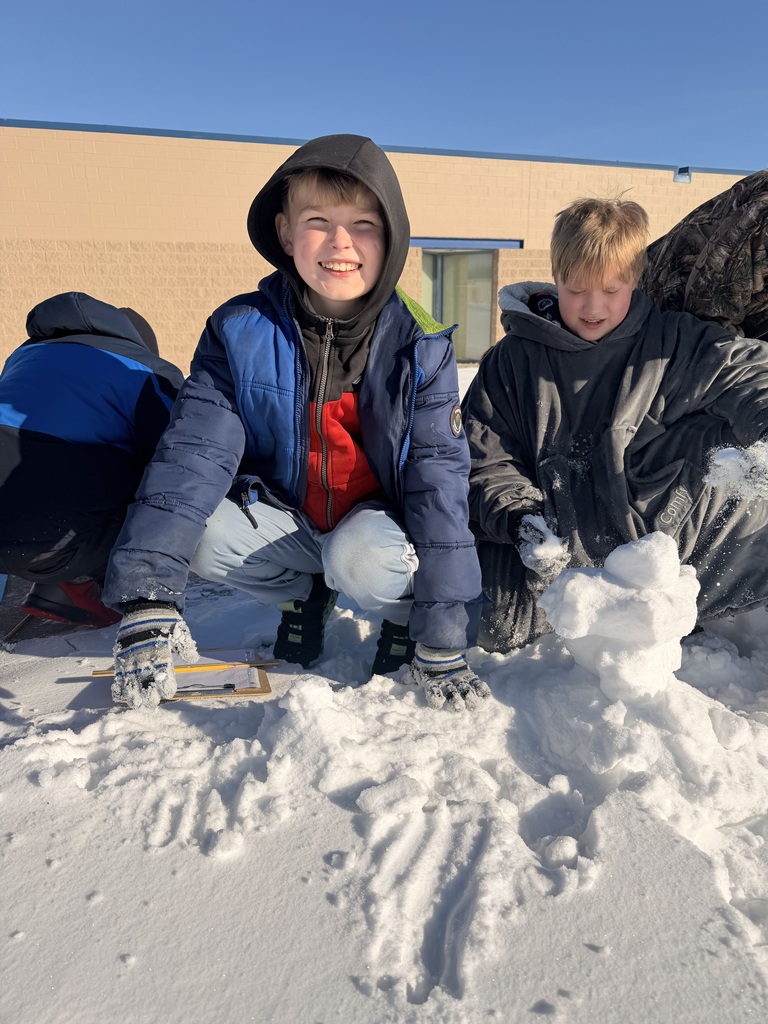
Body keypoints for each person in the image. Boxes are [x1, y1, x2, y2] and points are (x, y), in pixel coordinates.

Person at [102, 134, 487, 712]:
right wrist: (147, 598)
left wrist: (445, 632)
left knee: (359, 558)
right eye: (317, 221)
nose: (340, 243)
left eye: (362, 223)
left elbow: (439, 486)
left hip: (373, 531)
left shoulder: (419, 343)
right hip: (290, 519)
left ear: (391, 236)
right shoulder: (239, 330)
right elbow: (192, 455)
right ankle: (301, 597)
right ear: (285, 232)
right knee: (207, 536)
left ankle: (404, 620)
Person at [462, 194, 768, 653]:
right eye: (576, 288)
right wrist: (520, 518)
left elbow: (746, 373)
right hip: (552, 559)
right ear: (556, 277)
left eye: (611, 289)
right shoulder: (512, 361)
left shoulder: (673, 341)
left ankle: (672, 611)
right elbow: (484, 460)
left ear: (635, 279)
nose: (593, 307)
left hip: (661, 546)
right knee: (489, 626)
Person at [0, 292, 184, 628]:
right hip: (52, 536)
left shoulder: (25, 355)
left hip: (19, 520)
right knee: (165, 473)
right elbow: (183, 455)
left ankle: (58, 579)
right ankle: (82, 581)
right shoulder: (147, 369)